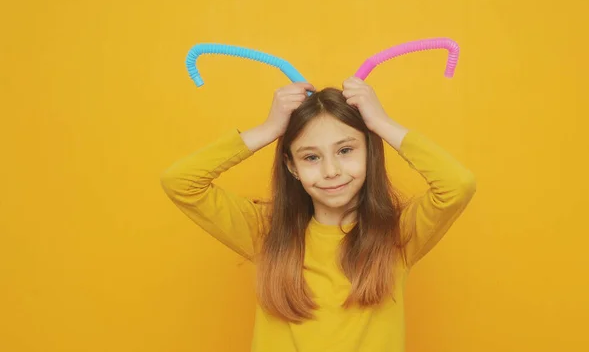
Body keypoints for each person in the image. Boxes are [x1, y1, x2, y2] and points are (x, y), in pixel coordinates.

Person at [160, 77, 476, 352]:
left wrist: (381, 124)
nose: (331, 171)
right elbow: (180, 183)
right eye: (311, 157)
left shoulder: (400, 235)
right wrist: (268, 129)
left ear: (370, 151)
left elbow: (457, 185)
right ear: (291, 166)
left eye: (346, 150)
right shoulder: (264, 231)